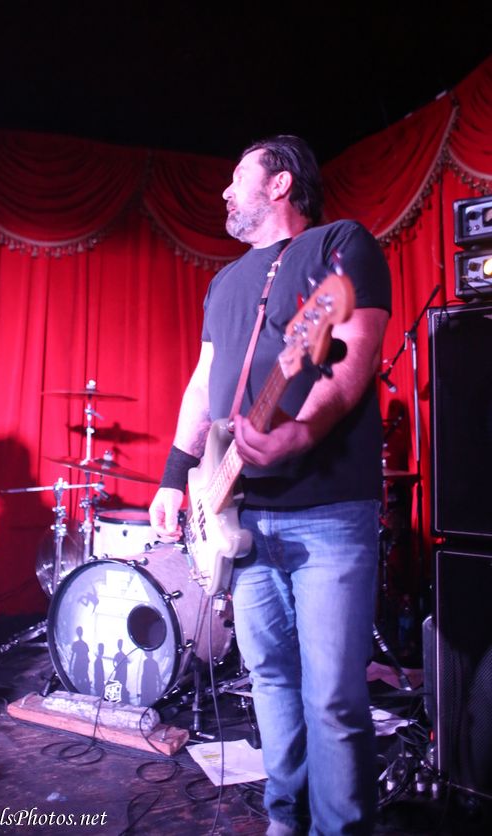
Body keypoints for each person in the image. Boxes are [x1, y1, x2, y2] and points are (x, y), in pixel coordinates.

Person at [149, 134, 391, 835]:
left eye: (237, 177)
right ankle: (286, 822)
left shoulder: (340, 246)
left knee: (334, 698)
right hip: (242, 514)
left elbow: (354, 355)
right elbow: (204, 384)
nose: (225, 192)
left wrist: (301, 431)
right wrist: (174, 476)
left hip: (329, 514)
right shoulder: (224, 282)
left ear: (281, 183)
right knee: (271, 683)